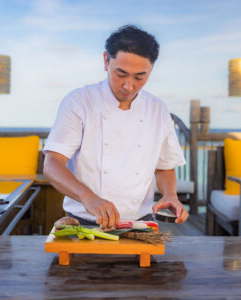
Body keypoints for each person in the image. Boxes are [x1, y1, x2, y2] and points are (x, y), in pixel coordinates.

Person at [43, 25, 189, 230]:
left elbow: (164, 166)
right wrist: (89, 198)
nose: (129, 86)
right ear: (106, 61)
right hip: (86, 224)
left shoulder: (157, 109)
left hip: (142, 224)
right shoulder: (79, 102)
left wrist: (170, 195)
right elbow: (52, 165)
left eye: (140, 77)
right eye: (121, 74)